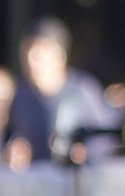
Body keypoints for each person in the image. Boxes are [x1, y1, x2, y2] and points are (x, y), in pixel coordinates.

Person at [8, 19, 115, 163]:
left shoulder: (82, 91)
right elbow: (10, 137)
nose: (31, 63)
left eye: (39, 56)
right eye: (26, 54)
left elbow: (105, 142)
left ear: (60, 56)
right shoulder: (21, 97)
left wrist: (85, 153)